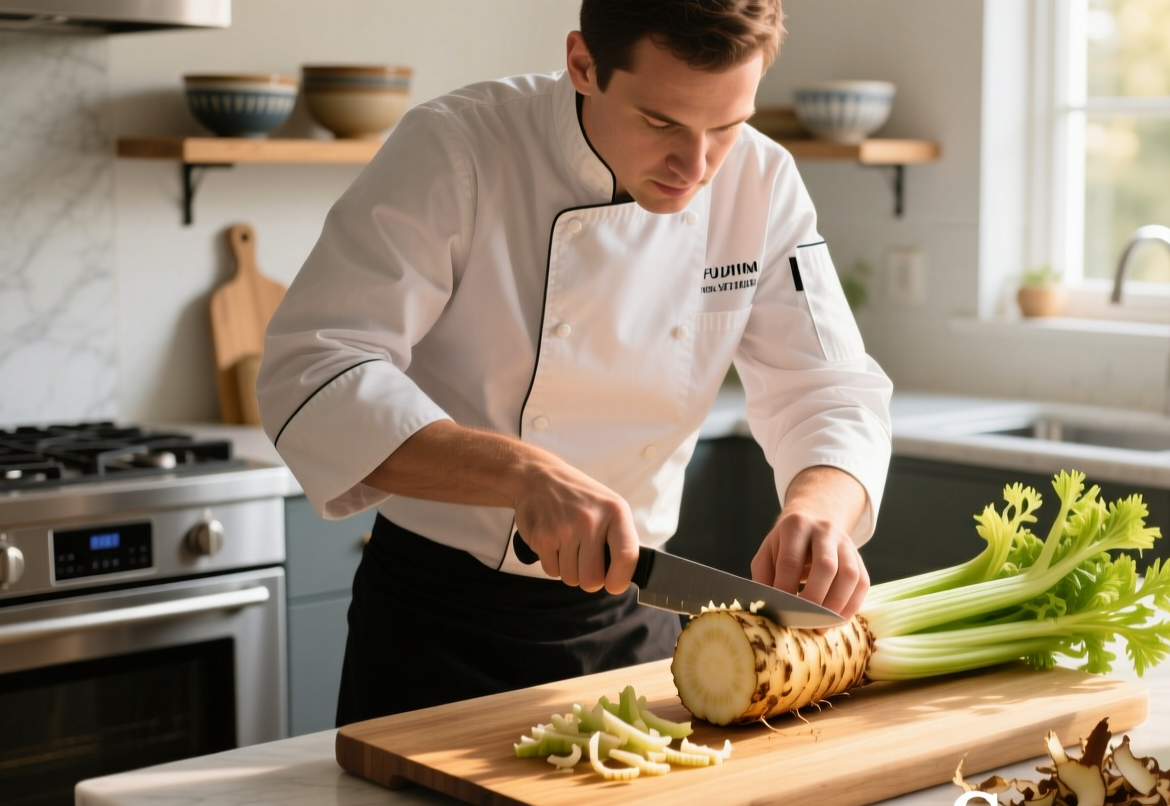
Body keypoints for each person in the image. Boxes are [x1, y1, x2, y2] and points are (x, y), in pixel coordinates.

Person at [257, 0, 892, 726]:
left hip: (635, 622)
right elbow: (313, 370)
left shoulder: (762, 182)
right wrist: (521, 474)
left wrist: (821, 509)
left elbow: (832, 388)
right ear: (583, 66)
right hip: (438, 626)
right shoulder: (457, 149)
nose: (698, 165)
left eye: (726, 126)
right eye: (661, 123)